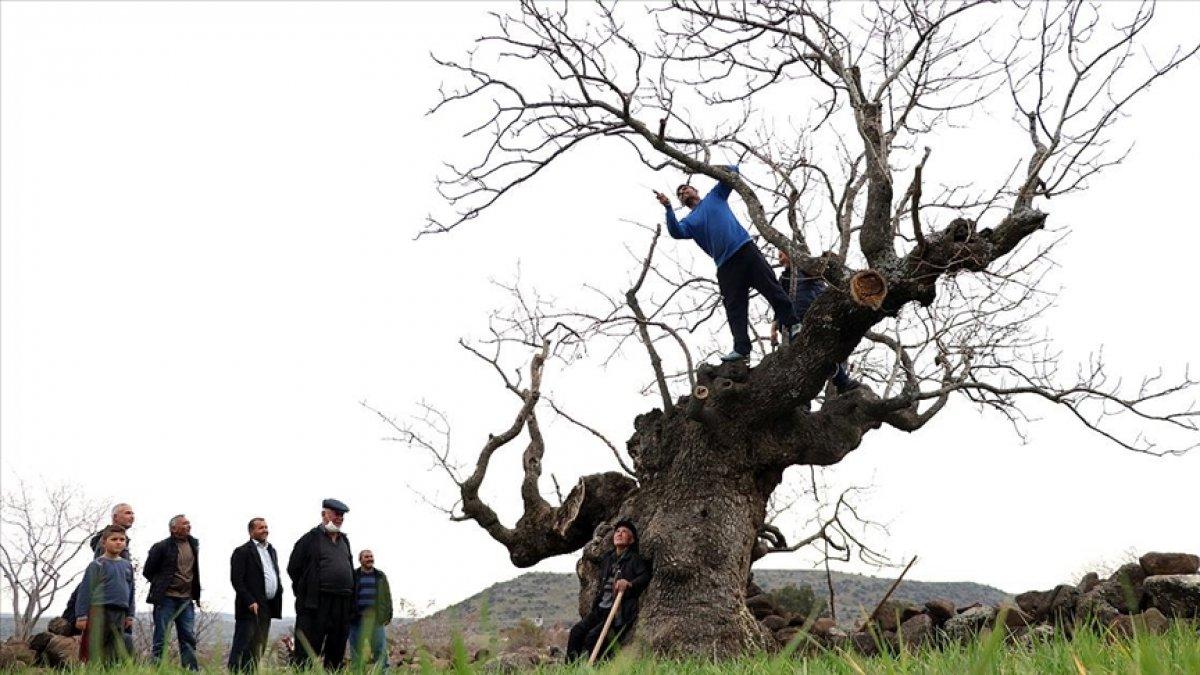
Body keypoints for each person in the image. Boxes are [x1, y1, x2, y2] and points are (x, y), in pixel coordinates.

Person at [656, 166, 800, 361]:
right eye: (680, 194)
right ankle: (742, 350)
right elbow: (675, 232)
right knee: (734, 307)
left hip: (745, 250)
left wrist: (706, 169)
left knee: (771, 287)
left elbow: (733, 171)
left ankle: (793, 325)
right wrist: (668, 208)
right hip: (726, 265)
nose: (683, 192)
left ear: (695, 190)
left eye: (686, 188)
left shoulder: (715, 196)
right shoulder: (688, 221)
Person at [771, 249, 862, 394]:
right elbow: (779, 304)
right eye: (778, 257)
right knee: (799, 361)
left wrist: (825, 259)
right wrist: (774, 328)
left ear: (790, 253)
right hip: (793, 324)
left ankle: (842, 382)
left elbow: (822, 268)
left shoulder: (806, 269)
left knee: (822, 353)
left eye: (782, 255)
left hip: (813, 318)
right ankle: (802, 402)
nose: (780, 260)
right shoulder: (783, 279)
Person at [566, 519, 652, 662]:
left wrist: (629, 583)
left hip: (618, 611)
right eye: (617, 531)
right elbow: (593, 555)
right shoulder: (608, 558)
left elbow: (645, 576)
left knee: (593, 637)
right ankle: (570, 667)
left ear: (631, 540)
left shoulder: (634, 559)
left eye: (624, 532)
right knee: (576, 632)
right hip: (600, 608)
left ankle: (596, 668)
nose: (619, 534)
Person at [288, 498, 354, 670]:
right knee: (309, 647)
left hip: (342, 602)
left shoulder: (344, 541)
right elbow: (293, 568)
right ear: (324, 514)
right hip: (316, 602)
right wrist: (306, 590)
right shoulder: (309, 539)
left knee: (337, 647)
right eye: (336, 514)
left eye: (342, 516)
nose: (340, 518)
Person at [143, 514, 201, 670]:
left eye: (189, 523)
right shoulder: (161, 547)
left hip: (186, 600)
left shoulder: (194, 545)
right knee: (161, 637)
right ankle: (157, 670)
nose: (188, 526)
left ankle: (191, 671)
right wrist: (162, 584)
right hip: (166, 599)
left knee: (188, 638)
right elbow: (148, 571)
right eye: (184, 524)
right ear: (173, 528)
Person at [74, 525, 135, 666]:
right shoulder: (97, 565)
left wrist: (130, 615)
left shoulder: (127, 566)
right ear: (104, 542)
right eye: (114, 539)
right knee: (96, 647)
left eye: (122, 539)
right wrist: (82, 616)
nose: (118, 542)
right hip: (99, 611)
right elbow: (85, 592)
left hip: (120, 612)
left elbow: (131, 590)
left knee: (115, 648)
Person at [228, 517, 283, 672]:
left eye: (266, 527)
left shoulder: (271, 550)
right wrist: (250, 601)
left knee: (259, 646)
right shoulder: (242, 551)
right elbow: (237, 580)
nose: (265, 530)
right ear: (251, 531)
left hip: (267, 606)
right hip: (249, 607)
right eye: (261, 528)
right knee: (242, 645)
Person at [350, 549, 394, 671]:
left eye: (371, 556)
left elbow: (387, 596)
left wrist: (388, 615)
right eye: (366, 557)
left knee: (380, 652)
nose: (370, 559)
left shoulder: (380, 576)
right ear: (360, 560)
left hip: (377, 620)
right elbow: (349, 596)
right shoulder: (353, 575)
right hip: (356, 620)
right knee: (356, 653)